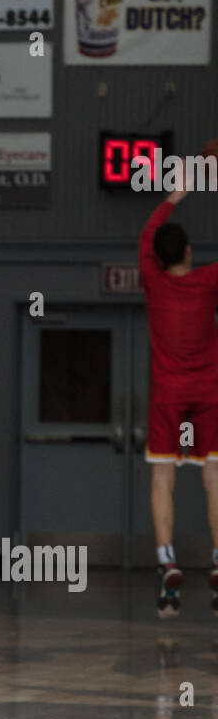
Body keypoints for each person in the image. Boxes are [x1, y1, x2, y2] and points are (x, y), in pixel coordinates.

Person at [139, 169, 218, 617]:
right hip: (208, 393)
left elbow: (148, 234)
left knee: (162, 478)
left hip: (168, 397)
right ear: (188, 252)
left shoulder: (153, 281)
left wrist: (174, 195)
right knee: (213, 477)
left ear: (156, 258)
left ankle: (167, 561)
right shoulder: (208, 281)